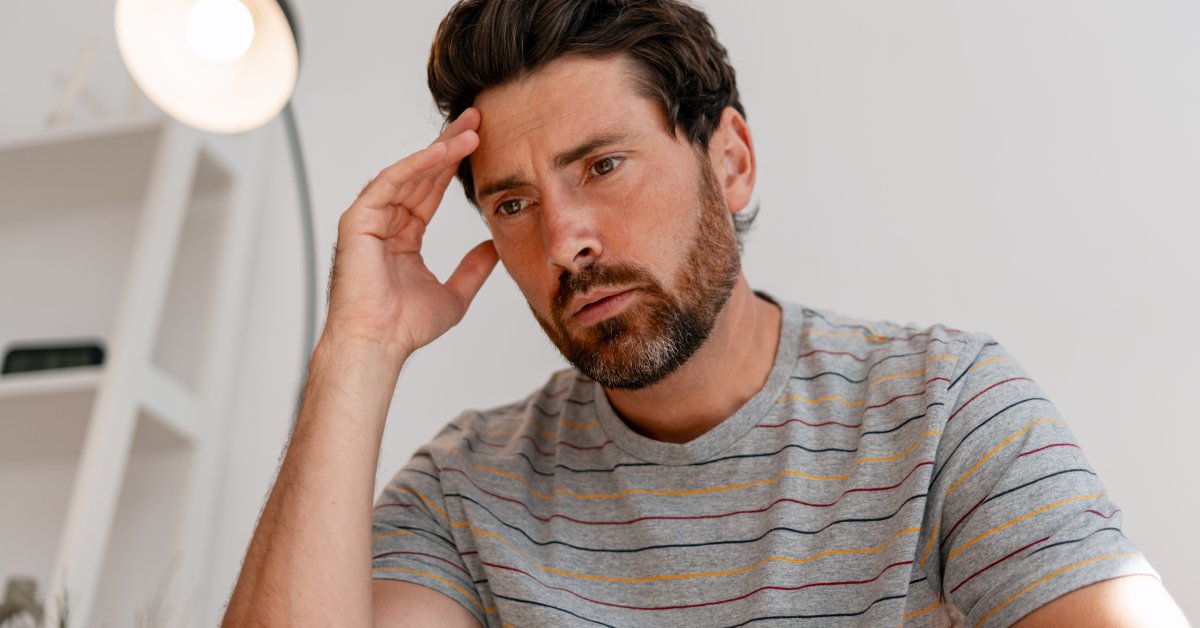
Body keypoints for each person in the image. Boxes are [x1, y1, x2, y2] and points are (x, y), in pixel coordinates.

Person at [223, 1, 1190, 626]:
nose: (565, 241)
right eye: (512, 204)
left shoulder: (944, 410)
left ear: (729, 160)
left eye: (601, 166)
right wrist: (357, 349)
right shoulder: (467, 495)